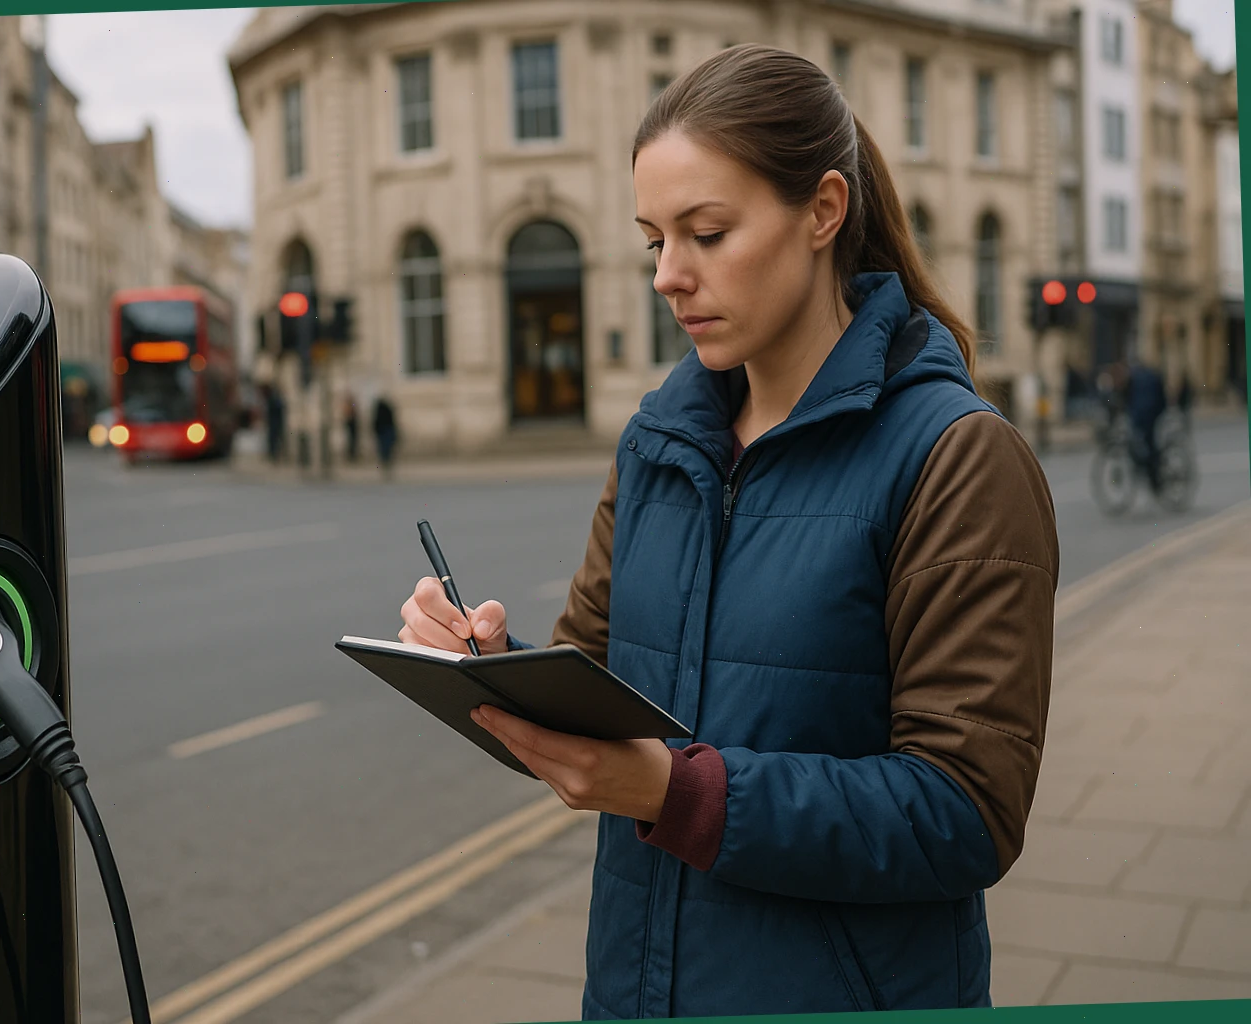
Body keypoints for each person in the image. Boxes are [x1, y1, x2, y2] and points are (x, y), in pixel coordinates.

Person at [397, 44, 1058, 1019]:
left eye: (706, 233)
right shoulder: (657, 444)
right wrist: (489, 668)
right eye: (653, 241)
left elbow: (965, 813)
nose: (669, 276)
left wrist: (676, 793)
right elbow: (594, 698)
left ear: (823, 211)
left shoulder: (957, 457)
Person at [1122, 360, 1168, 492]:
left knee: (1142, 441)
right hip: (1151, 413)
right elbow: (1162, 398)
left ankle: (1150, 471)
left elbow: (1127, 397)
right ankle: (1154, 474)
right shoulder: (1153, 376)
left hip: (1140, 415)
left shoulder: (1133, 378)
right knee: (1150, 442)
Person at [371, 396, 397, 478]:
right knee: (386, 450)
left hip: (383, 433)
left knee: (383, 450)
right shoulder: (387, 411)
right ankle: (386, 464)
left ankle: (385, 464)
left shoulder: (379, 412)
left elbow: (375, 423)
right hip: (386, 432)